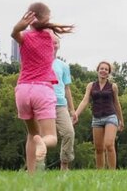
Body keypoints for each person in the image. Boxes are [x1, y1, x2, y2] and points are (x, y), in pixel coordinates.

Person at [11, 2, 73, 173]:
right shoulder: (50, 38)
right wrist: (46, 23)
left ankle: (31, 174)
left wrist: (20, 26)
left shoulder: (23, 37)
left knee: (32, 134)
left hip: (22, 90)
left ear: (29, 18)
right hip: (42, 90)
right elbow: (53, 39)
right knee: (50, 137)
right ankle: (42, 144)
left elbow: (14, 33)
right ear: (46, 18)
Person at [74, 61, 124, 169]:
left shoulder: (113, 86)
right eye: (102, 68)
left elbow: (116, 103)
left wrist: (121, 120)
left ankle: (112, 173)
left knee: (109, 144)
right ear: (98, 70)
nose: (103, 71)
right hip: (96, 118)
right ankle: (100, 173)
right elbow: (85, 101)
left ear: (109, 73)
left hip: (110, 116)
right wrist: (76, 114)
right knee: (98, 148)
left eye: (106, 69)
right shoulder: (91, 86)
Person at [52, 37, 77, 170]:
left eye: (55, 42)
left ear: (59, 45)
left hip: (61, 104)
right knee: (39, 135)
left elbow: (67, 88)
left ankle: (64, 165)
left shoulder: (63, 66)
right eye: (50, 42)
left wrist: (72, 110)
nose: (53, 44)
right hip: (43, 104)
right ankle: (36, 166)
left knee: (69, 133)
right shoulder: (39, 62)